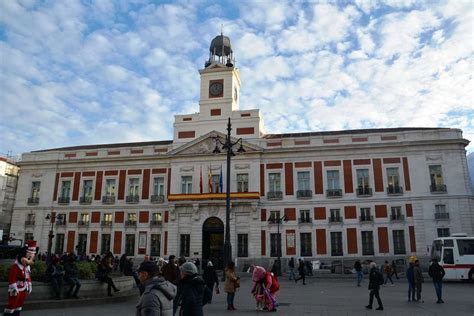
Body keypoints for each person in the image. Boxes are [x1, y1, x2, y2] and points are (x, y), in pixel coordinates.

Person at [4, 240, 36, 315]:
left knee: (19, 304)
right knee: (12, 304)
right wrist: (13, 287)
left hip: (23, 288)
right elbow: (12, 277)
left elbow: (28, 277)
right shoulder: (16, 266)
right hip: (16, 287)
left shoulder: (26, 267)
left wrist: (29, 284)